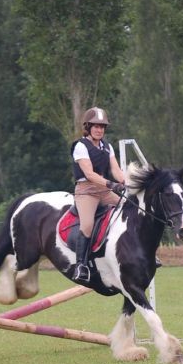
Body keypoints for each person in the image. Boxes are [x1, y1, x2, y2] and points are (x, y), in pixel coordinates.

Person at [71, 106, 126, 283]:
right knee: (87, 225)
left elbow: (116, 170)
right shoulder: (80, 146)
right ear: (88, 127)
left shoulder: (107, 147)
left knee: (129, 208)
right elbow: (89, 174)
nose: (99, 130)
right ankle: (81, 265)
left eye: (102, 127)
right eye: (96, 126)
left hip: (104, 191)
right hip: (86, 191)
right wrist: (111, 184)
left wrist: (126, 182)